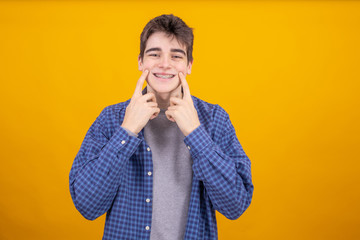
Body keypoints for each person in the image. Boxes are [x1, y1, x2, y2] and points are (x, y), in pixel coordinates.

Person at [69, 14, 254, 240]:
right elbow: (87, 205)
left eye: (176, 56)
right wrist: (126, 132)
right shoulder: (112, 118)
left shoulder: (214, 119)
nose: (164, 64)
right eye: (154, 54)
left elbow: (236, 205)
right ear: (140, 62)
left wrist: (197, 135)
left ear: (189, 65)